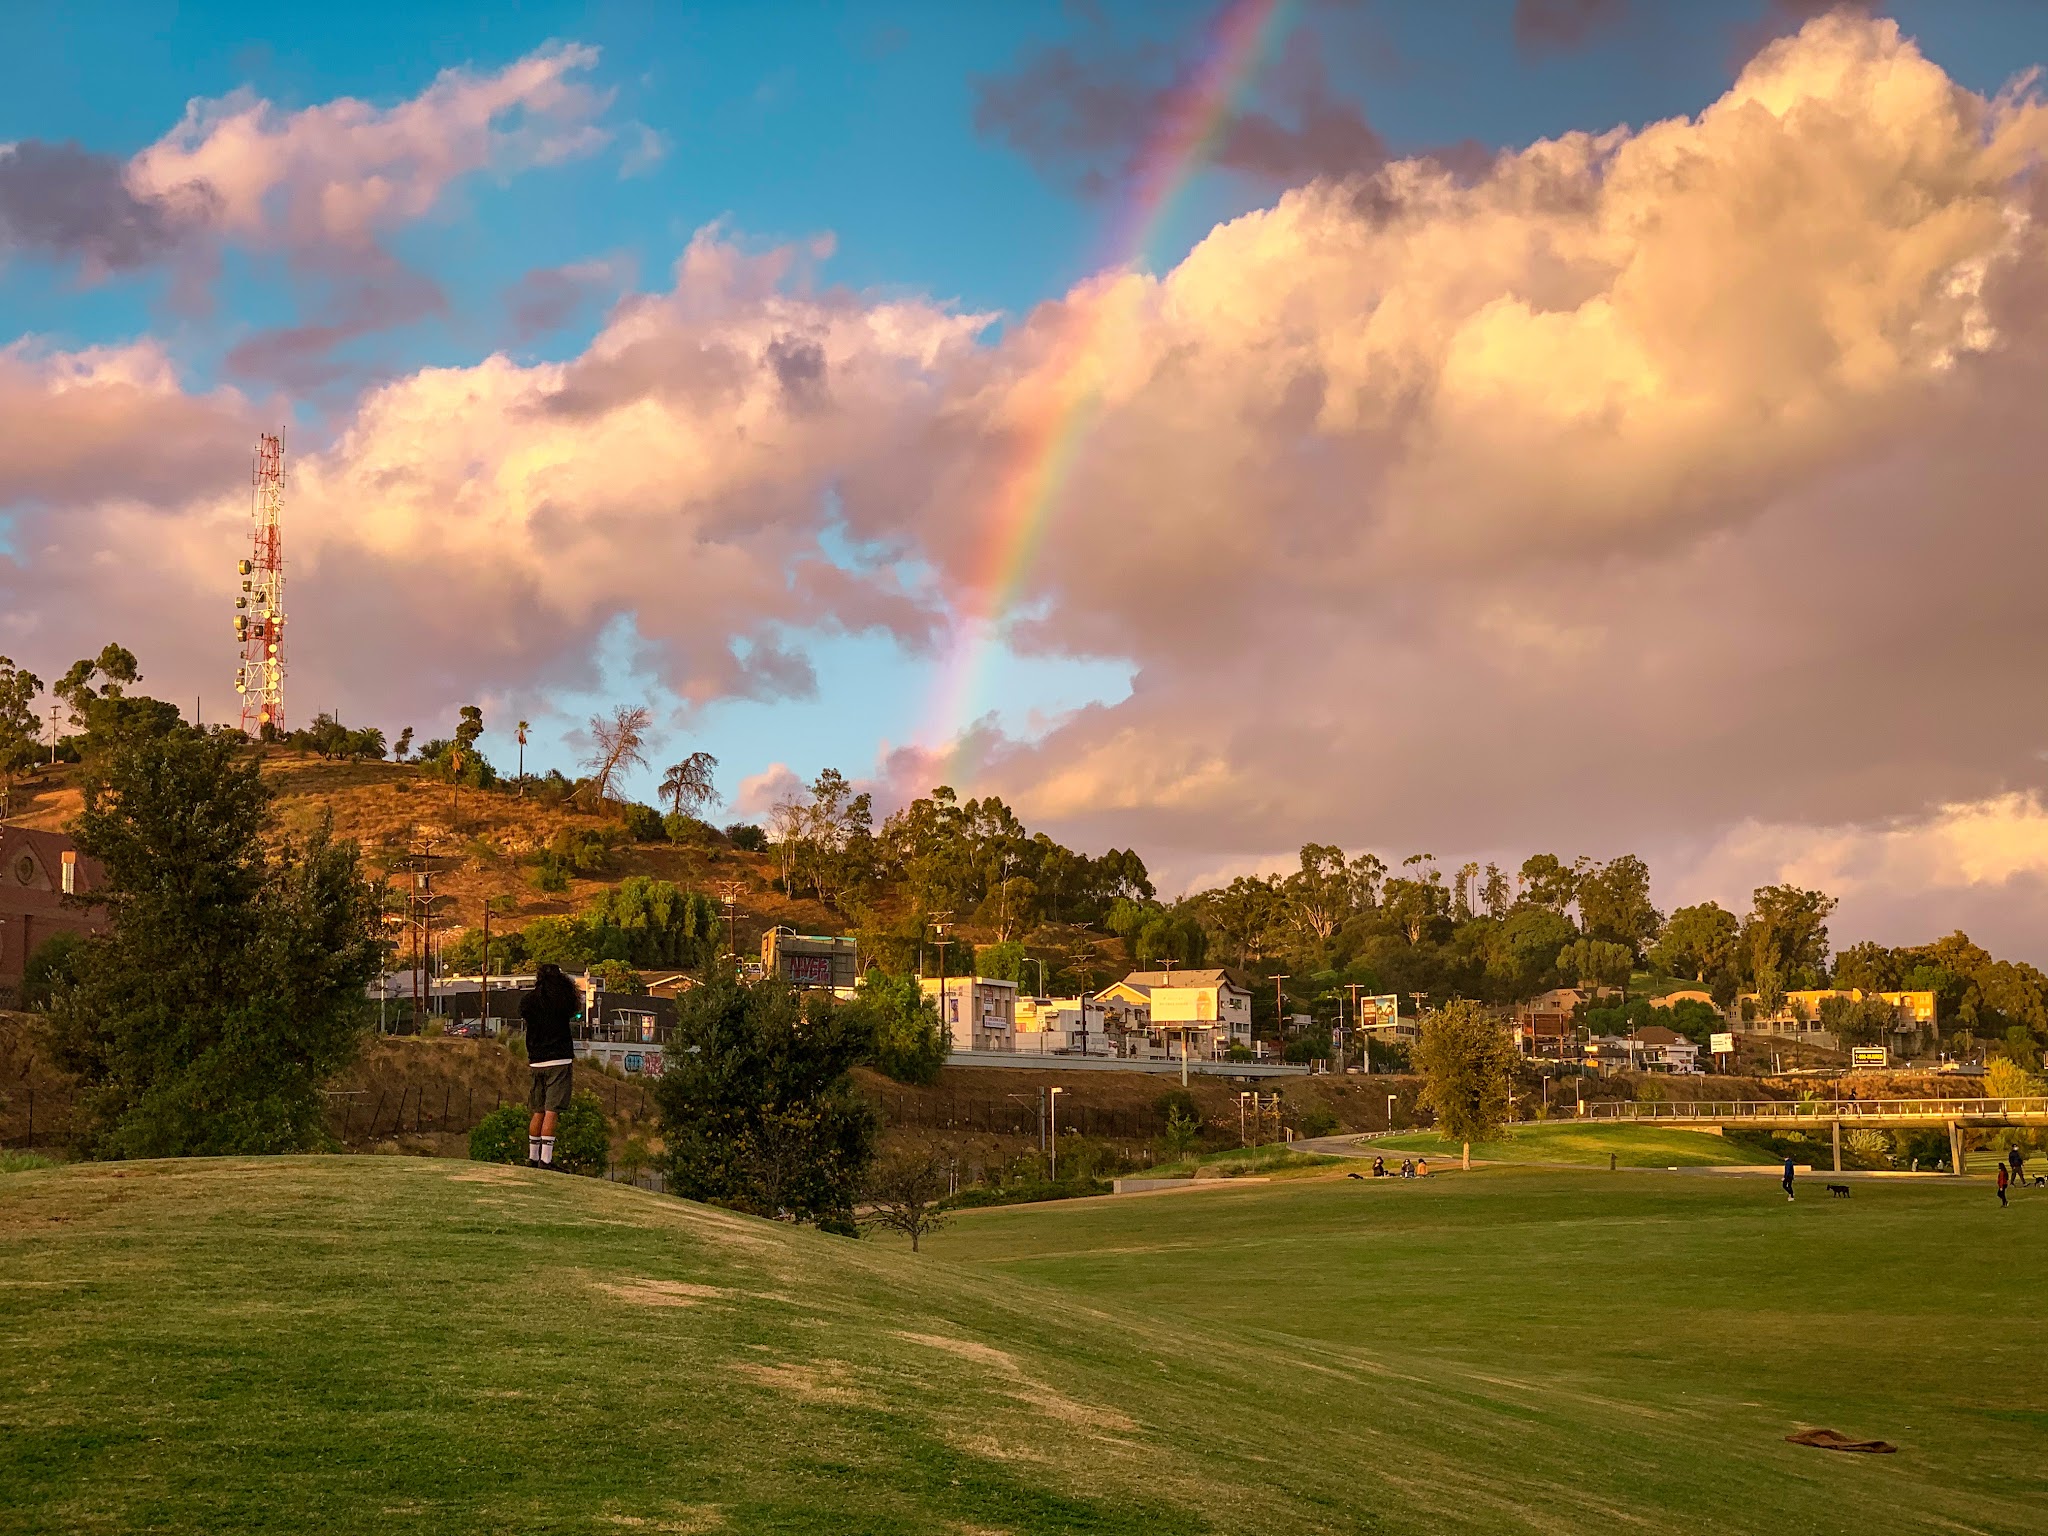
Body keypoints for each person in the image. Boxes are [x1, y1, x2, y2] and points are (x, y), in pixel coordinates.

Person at [520, 962, 579, 1169]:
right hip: (559, 1059)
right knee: (551, 1110)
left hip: (536, 1059)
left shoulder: (529, 1001)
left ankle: (533, 1157)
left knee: (538, 1109)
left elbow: (524, 1013)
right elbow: (573, 1009)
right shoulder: (563, 1000)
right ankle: (546, 1160)